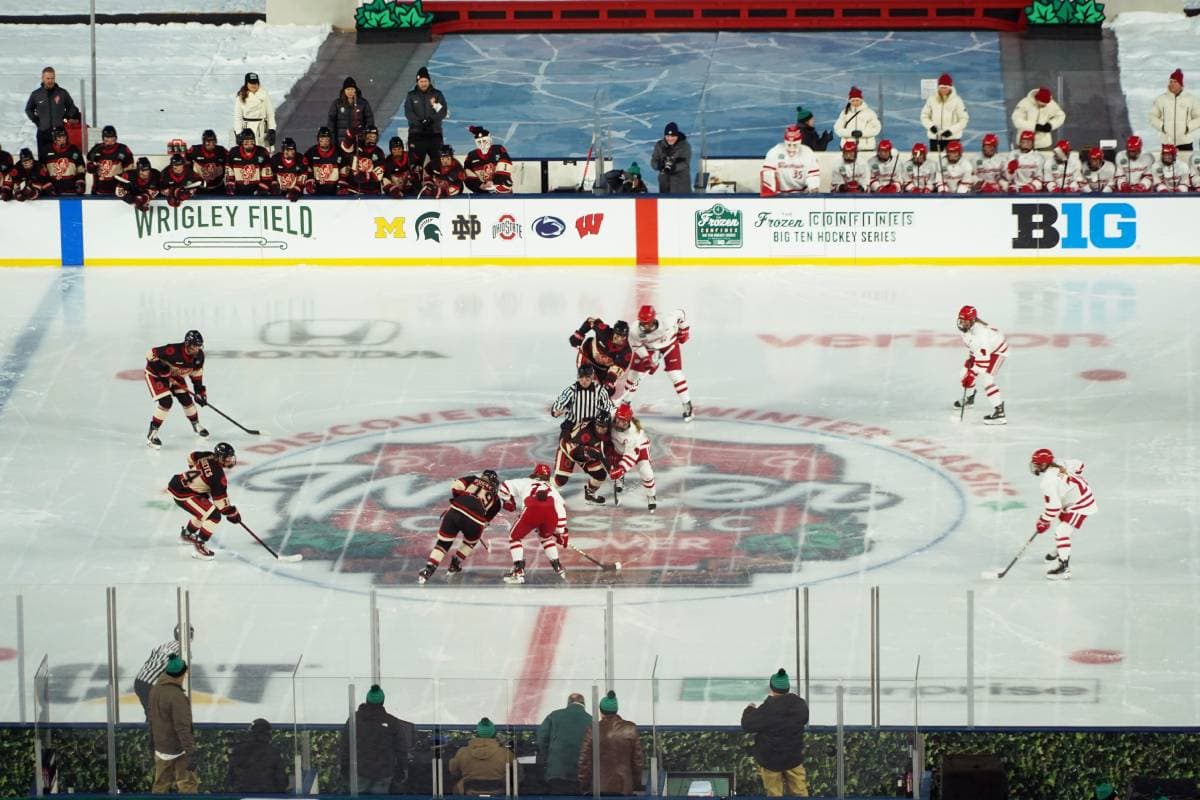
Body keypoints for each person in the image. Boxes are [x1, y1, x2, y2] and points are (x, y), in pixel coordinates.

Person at [417, 470, 503, 584]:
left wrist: (459, 499)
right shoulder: (496, 500)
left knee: (443, 543)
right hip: (475, 520)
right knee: (470, 542)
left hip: (456, 510)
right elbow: (485, 522)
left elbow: (456, 485)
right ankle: (455, 563)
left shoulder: (473, 479)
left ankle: (429, 569)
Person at [740, 669, 810, 797]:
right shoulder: (800, 704)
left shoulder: (767, 709)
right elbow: (804, 719)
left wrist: (749, 709)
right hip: (793, 757)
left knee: (774, 793)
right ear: (787, 687)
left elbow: (747, 724)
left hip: (770, 760)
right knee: (800, 792)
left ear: (772, 687)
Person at [1030, 448, 1096, 579]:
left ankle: (1063, 568)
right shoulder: (1060, 463)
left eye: (1037, 464)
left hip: (1080, 504)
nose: (1035, 466)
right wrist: (1071, 481)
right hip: (1073, 500)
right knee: (1060, 526)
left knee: (1061, 532)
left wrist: (1043, 521)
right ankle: (1059, 550)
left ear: (1044, 465)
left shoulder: (1048, 482)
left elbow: (1053, 508)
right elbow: (1080, 464)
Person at [498, 463, 569, 584]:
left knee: (514, 537)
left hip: (531, 510)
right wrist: (560, 531)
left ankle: (518, 571)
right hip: (550, 514)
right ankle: (558, 568)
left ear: (535, 473)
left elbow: (504, 487)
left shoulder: (526, 482)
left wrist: (508, 500)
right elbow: (561, 509)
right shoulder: (552, 489)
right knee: (545, 537)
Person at [168, 443, 239, 561]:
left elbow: (191, 457)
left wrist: (196, 476)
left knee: (205, 511)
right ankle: (199, 547)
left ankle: (187, 535)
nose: (230, 460)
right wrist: (233, 514)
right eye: (227, 458)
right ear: (219, 457)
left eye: (231, 457)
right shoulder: (218, 475)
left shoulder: (208, 455)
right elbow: (221, 505)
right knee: (214, 516)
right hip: (183, 493)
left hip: (179, 485)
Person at [340, 684, 415, 794]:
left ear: (367, 700)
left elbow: (345, 745)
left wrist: (344, 767)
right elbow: (401, 748)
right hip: (383, 773)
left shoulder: (354, 720)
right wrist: (403, 768)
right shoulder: (392, 722)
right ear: (382, 702)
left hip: (359, 771)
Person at [623, 305, 692, 421]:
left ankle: (687, 404)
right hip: (648, 348)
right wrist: (646, 359)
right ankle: (624, 404)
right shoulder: (634, 330)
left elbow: (681, 313)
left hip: (669, 344)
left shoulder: (666, 321)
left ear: (654, 319)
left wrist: (684, 330)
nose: (645, 326)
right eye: (642, 323)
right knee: (634, 375)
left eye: (647, 323)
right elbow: (637, 346)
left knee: (675, 374)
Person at [134, 625, 194, 754]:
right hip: (151, 685)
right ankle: (156, 749)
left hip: (140, 681)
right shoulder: (184, 651)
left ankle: (153, 748)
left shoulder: (164, 645)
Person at [145, 330, 209, 448]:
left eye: (199, 346)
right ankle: (152, 433)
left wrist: (200, 392)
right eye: (194, 346)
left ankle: (196, 425)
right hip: (156, 375)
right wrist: (161, 370)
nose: (197, 349)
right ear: (187, 344)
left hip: (174, 375)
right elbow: (150, 353)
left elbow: (196, 375)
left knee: (186, 400)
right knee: (166, 402)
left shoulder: (199, 356)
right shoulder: (173, 350)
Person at [148, 655, 198, 794]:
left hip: (160, 748)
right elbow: (182, 728)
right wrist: (190, 753)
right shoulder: (177, 697)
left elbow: (151, 718)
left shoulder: (155, 690)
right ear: (183, 674)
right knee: (187, 785)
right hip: (178, 750)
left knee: (160, 786)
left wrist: (152, 741)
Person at [577, 691, 643, 795]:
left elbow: (585, 761)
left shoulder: (593, 729)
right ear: (616, 710)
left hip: (599, 788)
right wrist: (636, 784)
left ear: (601, 711)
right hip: (624, 788)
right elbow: (637, 761)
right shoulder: (630, 728)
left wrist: (584, 785)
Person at [955, 305, 1008, 425]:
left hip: (996, 352)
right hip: (983, 352)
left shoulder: (981, 335)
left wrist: (972, 374)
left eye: (966, 322)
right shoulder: (967, 329)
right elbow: (973, 347)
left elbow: (984, 362)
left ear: (973, 321)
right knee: (963, 374)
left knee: (987, 380)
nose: (963, 324)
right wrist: (970, 367)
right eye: (961, 321)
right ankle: (970, 399)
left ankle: (999, 413)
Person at [536, 693, 592, 795]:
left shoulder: (553, 716)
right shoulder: (591, 720)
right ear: (584, 704)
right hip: (581, 774)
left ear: (568, 703)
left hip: (557, 772)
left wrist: (550, 757)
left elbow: (541, 737)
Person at [553, 412, 613, 506]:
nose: (599, 429)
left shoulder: (609, 434)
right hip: (568, 450)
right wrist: (587, 451)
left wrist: (611, 470)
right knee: (560, 480)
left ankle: (590, 494)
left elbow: (603, 455)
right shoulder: (586, 431)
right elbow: (574, 451)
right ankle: (539, 488)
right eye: (598, 426)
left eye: (603, 427)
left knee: (600, 475)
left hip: (586, 453)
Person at [25, 67, 80, 162]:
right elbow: (28, 110)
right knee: (43, 160)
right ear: (42, 78)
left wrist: (66, 117)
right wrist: (37, 121)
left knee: (62, 159)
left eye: (52, 78)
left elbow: (72, 107)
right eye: (48, 78)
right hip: (43, 132)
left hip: (60, 133)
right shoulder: (36, 94)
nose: (50, 81)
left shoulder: (62, 93)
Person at [448, 717, 516, 794]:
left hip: (469, 792)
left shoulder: (462, 752)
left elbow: (454, 772)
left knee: (455, 788)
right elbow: (518, 774)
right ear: (494, 734)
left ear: (477, 733)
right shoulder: (506, 753)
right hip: (499, 792)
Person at [610, 403, 656, 512]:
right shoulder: (611, 415)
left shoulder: (634, 435)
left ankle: (651, 495)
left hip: (639, 448)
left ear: (629, 421)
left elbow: (630, 456)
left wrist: (621, 469)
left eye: (624, 422)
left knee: (646, 472)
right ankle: (620, 477)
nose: (620, 424)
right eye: (619, 420)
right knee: (614, 462)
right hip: (618, 446)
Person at [570, 317, 632, 396]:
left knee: (608, 390)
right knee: (585, 378)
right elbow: (590, 321)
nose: (619, 339)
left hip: (603, 369)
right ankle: (580, 396)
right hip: (587, 356)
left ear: (626, 336)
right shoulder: (604, 331)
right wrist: (579, 335)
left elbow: (618, 368)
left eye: (623, 337)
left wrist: (609, 380)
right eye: (617, 335)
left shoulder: (626, 352)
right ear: (613, 332)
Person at [227, 718, 289, 793]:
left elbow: (230, 779)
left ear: (251, 733)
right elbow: (281, 780)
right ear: (267, 734)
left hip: (242, 795)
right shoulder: (273, 753)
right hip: (267, 795)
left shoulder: (238, 750)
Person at [404, 66, 448, 168]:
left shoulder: (437, 94)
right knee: (416, 166)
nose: (423, 84)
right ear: (417, 82)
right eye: (421, 81)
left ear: (429, 81)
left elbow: (443, 111)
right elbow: (408, 112)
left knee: (438, 165)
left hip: (434, 134)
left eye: (425, 81)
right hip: (416, 135)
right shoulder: (411, 95)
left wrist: (431, 120)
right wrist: (419, 122)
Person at [551, 363, 616, 429]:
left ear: (592, 376)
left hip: (593, 426)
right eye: (581, 378)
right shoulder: (571, 390)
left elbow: (609, 407)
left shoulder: (600, 391)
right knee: (565, 435)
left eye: (587, 378)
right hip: (572, 424)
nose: (584, 381)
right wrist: (556, 412)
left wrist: (606, 417)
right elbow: (559, 404)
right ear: (578, 377)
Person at [760, 125, 820, 195]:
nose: (791, 149)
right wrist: (771, 192)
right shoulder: (774, 152)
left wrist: (813, 188)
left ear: (800, 142)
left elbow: (813, 176)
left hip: (802, 195)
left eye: (795, 145)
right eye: (788, 145)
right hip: (779, 195)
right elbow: (768, 175)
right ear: (785, 142)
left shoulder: (808, 153)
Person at [1149, 68, 1198, 151]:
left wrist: (1188, 127)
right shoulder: (1161, 99)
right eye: (1171, 81)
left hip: (1185, 142)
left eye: (1175, 82)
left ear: (1180, 84)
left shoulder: (1191, 99)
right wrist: (1162, 126)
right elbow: (1152, 116)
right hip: (1167, 143)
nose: (1172, 84)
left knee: (1185, 160)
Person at [920, 73, 969, 152]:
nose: (943, 90)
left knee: (952, 159)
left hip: (952, 139)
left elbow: (964, 119)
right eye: (941, 87)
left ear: (950, 87)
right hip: (935, 138)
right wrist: (931, 127)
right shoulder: (931, 100)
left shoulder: (957, 101)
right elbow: (924, 116)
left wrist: (951, 131)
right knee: (935, 158)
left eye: (945, 87)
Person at [1011, 86, 1065, 152]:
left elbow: (1061, 116)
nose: (1044, 106)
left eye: (1045, 105)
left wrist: (1050, 125)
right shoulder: (1024, 103)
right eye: (1042, 105)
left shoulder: (1051, 104)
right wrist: (1035, 127)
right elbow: (1016, 120)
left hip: (1044, 144)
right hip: (1024, 144)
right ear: (1036, 99)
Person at [463, 126, 514, 194]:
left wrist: (494, 182)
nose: (482, 144)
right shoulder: (471, 156)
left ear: (489, 139)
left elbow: (505, 168)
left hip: (502, 191)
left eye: (484, 140)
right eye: (479, 142)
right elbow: (468, 176)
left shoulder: (498, 149)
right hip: (482, 193)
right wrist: (480, 185)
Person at [233, 72, 276, 151]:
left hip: (262, 129)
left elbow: (270, 114)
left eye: (255, 83)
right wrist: (238, 133)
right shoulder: (241, 96)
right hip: (247, 129)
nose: (254, 85)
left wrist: (272, 129)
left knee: (263, 152)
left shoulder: (264, 95)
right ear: (246, 83)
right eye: (251, 83)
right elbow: (237, 117)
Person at [86, 125, 134, 196]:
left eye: (112, 137)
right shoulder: (96, 148)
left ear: (116, 138)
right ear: (103, 138)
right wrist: (93, 167)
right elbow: (88, 167)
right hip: (98, 190)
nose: (110, 140)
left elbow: (130, 172)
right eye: (107, 138)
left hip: (117, 191)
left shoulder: (123, 149)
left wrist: (124, 186)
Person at [328, 76, 375, 146]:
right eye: (348, 89)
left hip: (358, 141)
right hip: (341, 142)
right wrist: (333, 141)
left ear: (355, 90)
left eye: (352, 89)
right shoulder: (337, 103)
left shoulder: (363, 103)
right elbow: (331, 124)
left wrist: (364, 136)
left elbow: (369, 120)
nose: (350, 91)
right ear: (344, 90)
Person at [225, 128, 272, 196]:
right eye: (246, 141)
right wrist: (230, 186)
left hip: (257, 192)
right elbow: (229, 172)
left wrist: (262, 189)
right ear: (241, 142)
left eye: (251, 141)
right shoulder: (233, 152)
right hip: (238, 192)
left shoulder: (262, 152)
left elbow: (267, 175)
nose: (249, 143)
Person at [833, 86, 881, 152]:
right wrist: (851, 133)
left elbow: (876, 129)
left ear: (861, 100)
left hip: (866, 148)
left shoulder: (870, 113)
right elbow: (838, 129)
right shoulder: (844, 113)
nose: (855, 102)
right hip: (848, 148)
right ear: (850, 101)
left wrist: (862, 133)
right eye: (853, 100)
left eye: (857, 100)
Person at [651, 121, 691, 194]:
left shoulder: (684, 146)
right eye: (668, 136)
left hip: (680, 186)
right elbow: (653, 162)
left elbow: (685, 163)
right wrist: (660, 165)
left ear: (677, 136)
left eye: (673, 136)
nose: (670, 139)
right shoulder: (659, 145)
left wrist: (674, 167)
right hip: (664, 186)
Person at [43, 126, 84, 195]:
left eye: (64, 136)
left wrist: (80, 182)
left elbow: (80, 168)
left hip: (71, 191)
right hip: (53, 193)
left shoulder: (73, 149)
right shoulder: (46, 150)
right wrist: (47, 185)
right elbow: (42, 170)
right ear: (54, 138)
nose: (63, 139)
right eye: (59, 137)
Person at [305, 127, 344, 196]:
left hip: (335, 192)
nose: (324, 141)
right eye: (322, 138)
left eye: (326, 138)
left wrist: (342, 184)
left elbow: (344, 168)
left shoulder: (338, 152)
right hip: (317, 192)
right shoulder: (311, 152)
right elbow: (306, 169)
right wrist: (309, 181)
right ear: (318, 139)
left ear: (330, 139)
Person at [187, 130, 228, 195]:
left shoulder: (221, 150)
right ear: (204, 141)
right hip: (199, 188)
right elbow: (184, 161)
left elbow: (231, 160)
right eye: (208, 141)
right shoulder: (195, 150)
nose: (211, 144)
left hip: (218, 188)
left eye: (213, 141)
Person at [350, 126, 386, 195]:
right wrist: (351, 133)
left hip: (372, 191)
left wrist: (365, 176)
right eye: (369, 136)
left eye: (373, 136)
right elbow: (346, 148)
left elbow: (380, 171)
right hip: (355, 189)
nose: (371, 138)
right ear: (364, 136)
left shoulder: (379, 152)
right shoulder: (357, 146)